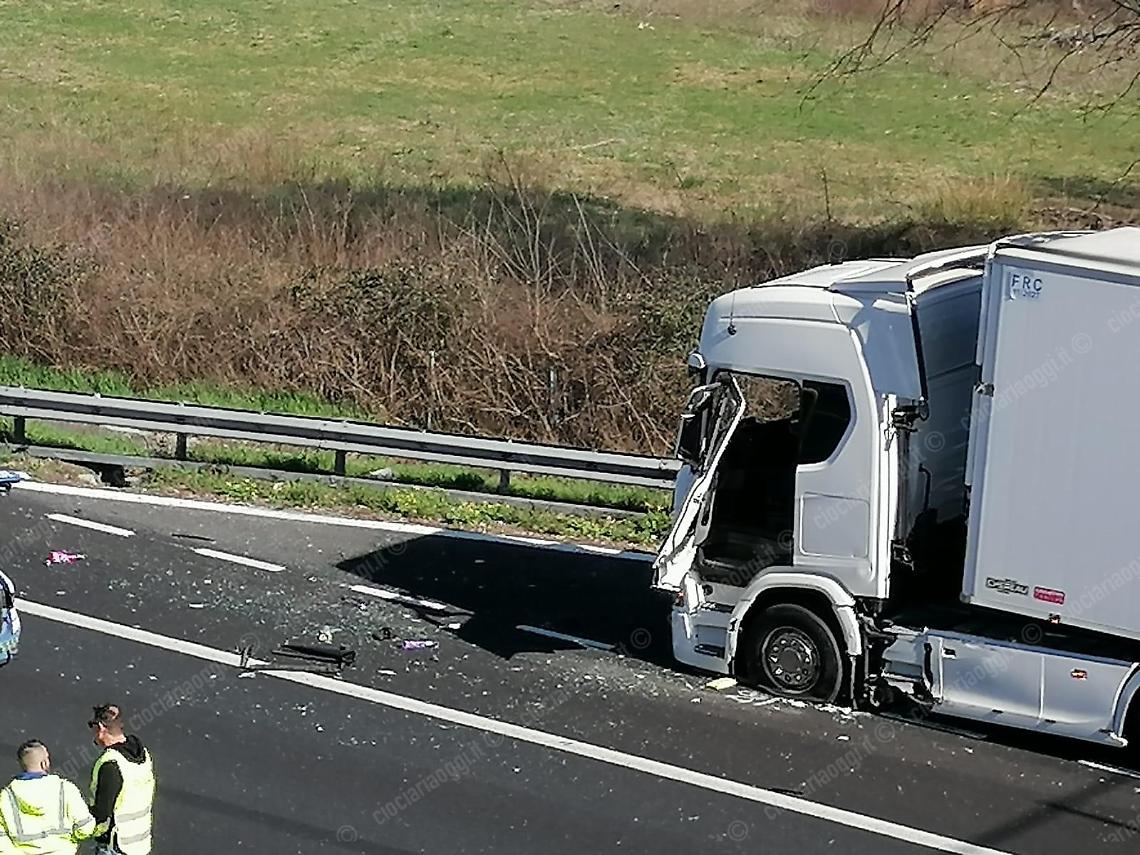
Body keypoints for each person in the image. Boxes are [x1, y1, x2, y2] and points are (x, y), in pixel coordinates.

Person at [0, 738, 96, 853]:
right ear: (44, 763)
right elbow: (85, 827)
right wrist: (69, 842)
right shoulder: (65, 788)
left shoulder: (6, 796)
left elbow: (2, 841)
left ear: (21, 764)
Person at [86, 705, 154, 855]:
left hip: (116, 846)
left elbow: (102, 814)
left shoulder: (111, 763)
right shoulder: (142, 754)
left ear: (101, 728)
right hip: (140, 844)